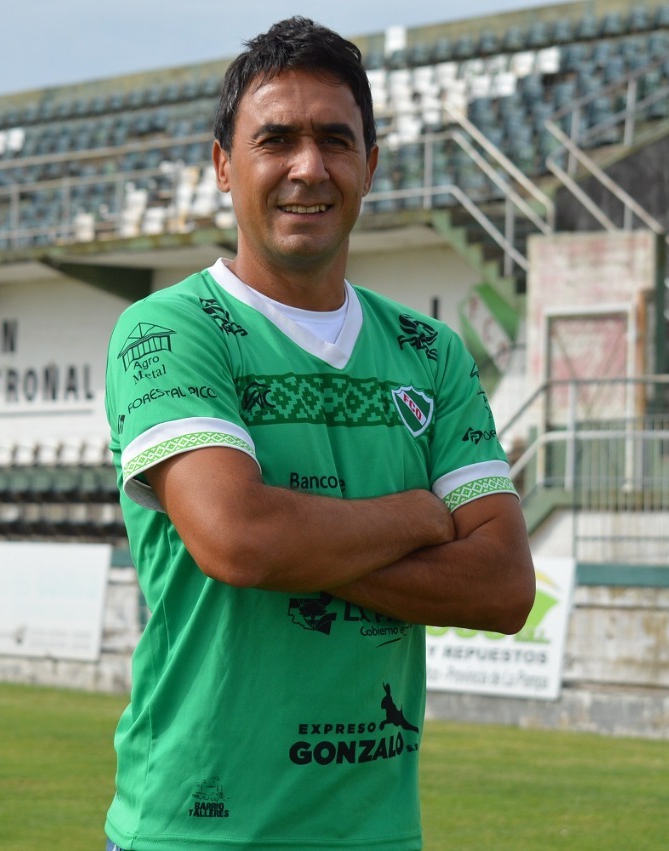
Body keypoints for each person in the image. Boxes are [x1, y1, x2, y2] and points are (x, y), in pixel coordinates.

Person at [103, 16, 535, 850]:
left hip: (375, 832)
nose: (309, 166)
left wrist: (303, 546)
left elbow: (504, 585)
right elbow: (239, 540)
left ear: (369, 165)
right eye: (276, 140)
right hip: (196, 830)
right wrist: (419, 514)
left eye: (335, 140)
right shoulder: (167, 329)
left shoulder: (431, 351)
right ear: (223, 165)